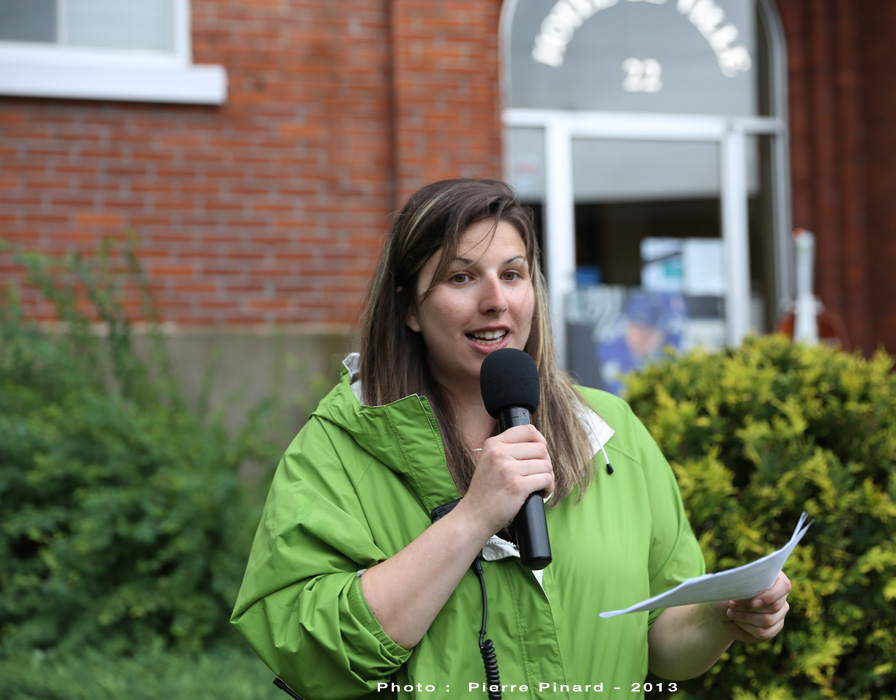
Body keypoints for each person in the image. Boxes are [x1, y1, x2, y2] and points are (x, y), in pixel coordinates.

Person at [230, 179, 792, 700]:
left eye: (513, 274)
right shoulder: (338, 447)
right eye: (461, 277)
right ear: (408, 308)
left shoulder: (612, 433)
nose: (496, 300)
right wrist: (473, 518)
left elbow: (659, 642)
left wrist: (720, 617)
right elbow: (307, 651)